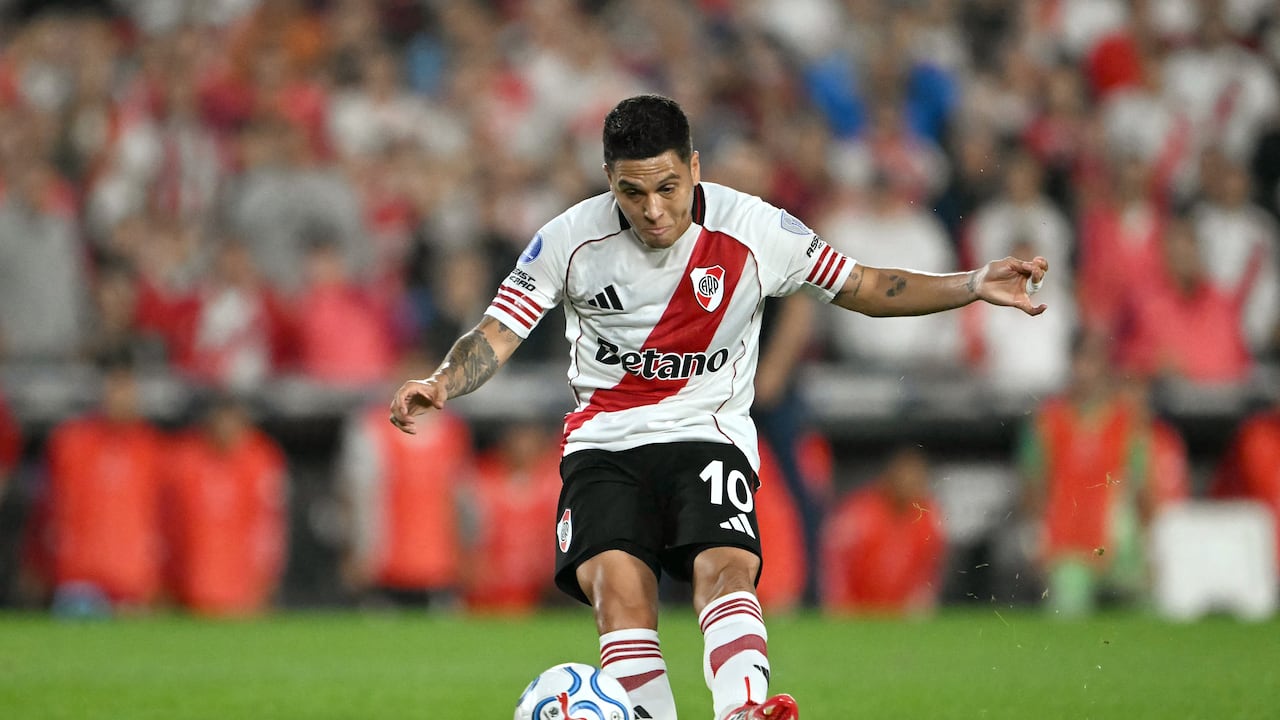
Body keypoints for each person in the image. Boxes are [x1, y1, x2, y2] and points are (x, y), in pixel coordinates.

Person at [388, 95, 1048, 720]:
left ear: (694, 168)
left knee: (724, 568)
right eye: (632, 191)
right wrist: (444, 381)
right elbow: (499, 329)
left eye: (667, 187)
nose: (652, 209)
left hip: (707, 433)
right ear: (608, 181)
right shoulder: (569, 239)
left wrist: (971, 284)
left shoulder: (755, 229)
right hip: (604, 445)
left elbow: (865, 285)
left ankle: (743, 709)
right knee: (620, 597)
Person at [163, 395, 288, 617]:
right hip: (193, 589)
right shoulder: (185, 459)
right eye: (221, 419)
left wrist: (266, 579)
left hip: (243, 589)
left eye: (232, 420)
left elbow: (268, 528)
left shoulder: (259, 461)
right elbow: (171, 524)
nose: (226, 428)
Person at [820, 445, 947, 616]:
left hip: (900, 614)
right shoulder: (859, 512)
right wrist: (839, 603)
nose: (909, 482)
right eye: (904, 474)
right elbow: (834, 562)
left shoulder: (927, 517)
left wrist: (919, 602)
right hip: (856, 610)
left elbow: (930, 568)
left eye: (916, 476)